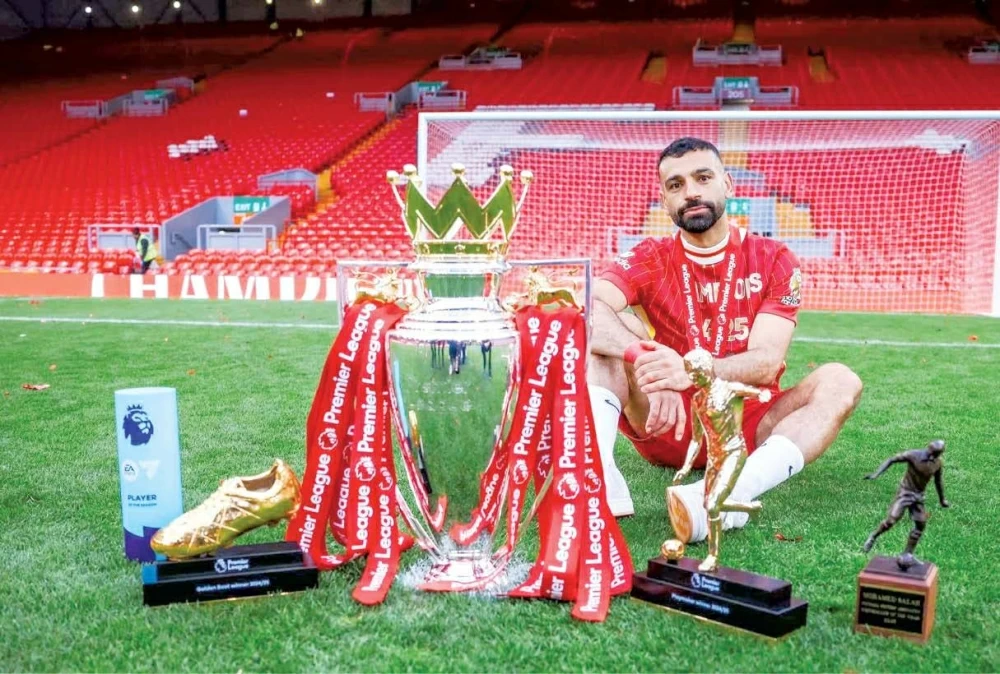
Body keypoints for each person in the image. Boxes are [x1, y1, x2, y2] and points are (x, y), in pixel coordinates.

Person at [588, 137, 863, 538]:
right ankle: (597, 476)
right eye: (676, 185)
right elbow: (588, 309)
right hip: (664, 421)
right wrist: (646, 359)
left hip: (746, 427)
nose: (691, 192)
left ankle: (730, 490)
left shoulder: (774, 258)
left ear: (728, 184)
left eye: (702, 178)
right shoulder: (648, 256)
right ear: (664, 200)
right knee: (609, 333)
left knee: (841, 380)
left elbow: (766, 361)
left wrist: (688, 370)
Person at [862, 440, 950, 569]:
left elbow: (938, 481)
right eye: (930, 453)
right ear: (928, 448)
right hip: (905, 493)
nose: (931, 457)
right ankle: (873, 536)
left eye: (935, 455)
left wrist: (942, 499)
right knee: (891, 520)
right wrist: (876, 474)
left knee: (920, 525)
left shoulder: (937, 464)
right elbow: (892, 460)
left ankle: (908, 553)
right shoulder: (913, 455)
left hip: (918, 497)